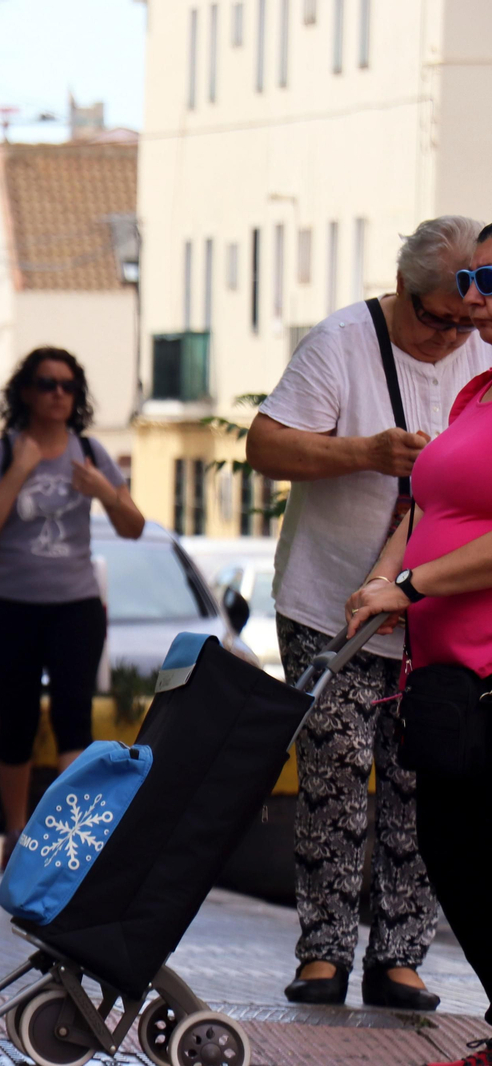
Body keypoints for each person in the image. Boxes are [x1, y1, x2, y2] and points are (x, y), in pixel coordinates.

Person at [245, 215, 492, 1010]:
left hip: (434, 621)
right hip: (332, 603)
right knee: (337, 773)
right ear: (400, 290)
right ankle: (324, 951)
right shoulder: (342, 341)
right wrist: (365, 453)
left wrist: (410, 582)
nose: (451, 335)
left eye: (464, 321)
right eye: (436, 318)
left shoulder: (482, 354)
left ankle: (400, 956)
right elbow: (264, 447)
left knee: (419, 779)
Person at [346, 231, 492, 1066]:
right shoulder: (476, 392)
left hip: (488, 670)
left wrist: (413, 586)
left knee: (473, 853)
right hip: (446, 678)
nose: (472, 297)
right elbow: (425, 507)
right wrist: (381, 580)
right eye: (470, 277)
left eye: (489, 279)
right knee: (453, 851)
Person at [0, 347, 145, 864]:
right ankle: (16, 832)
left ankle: (66, 840)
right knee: (17, 719)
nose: (58, 394)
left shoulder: (89, 451)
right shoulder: (2, 451)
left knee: (74, 718)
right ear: (26, 392)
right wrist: (20, 471)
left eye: (68, 385)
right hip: (10, 606)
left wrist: (105, 491)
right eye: (47, 384)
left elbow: (134, 527)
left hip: (75, 606)